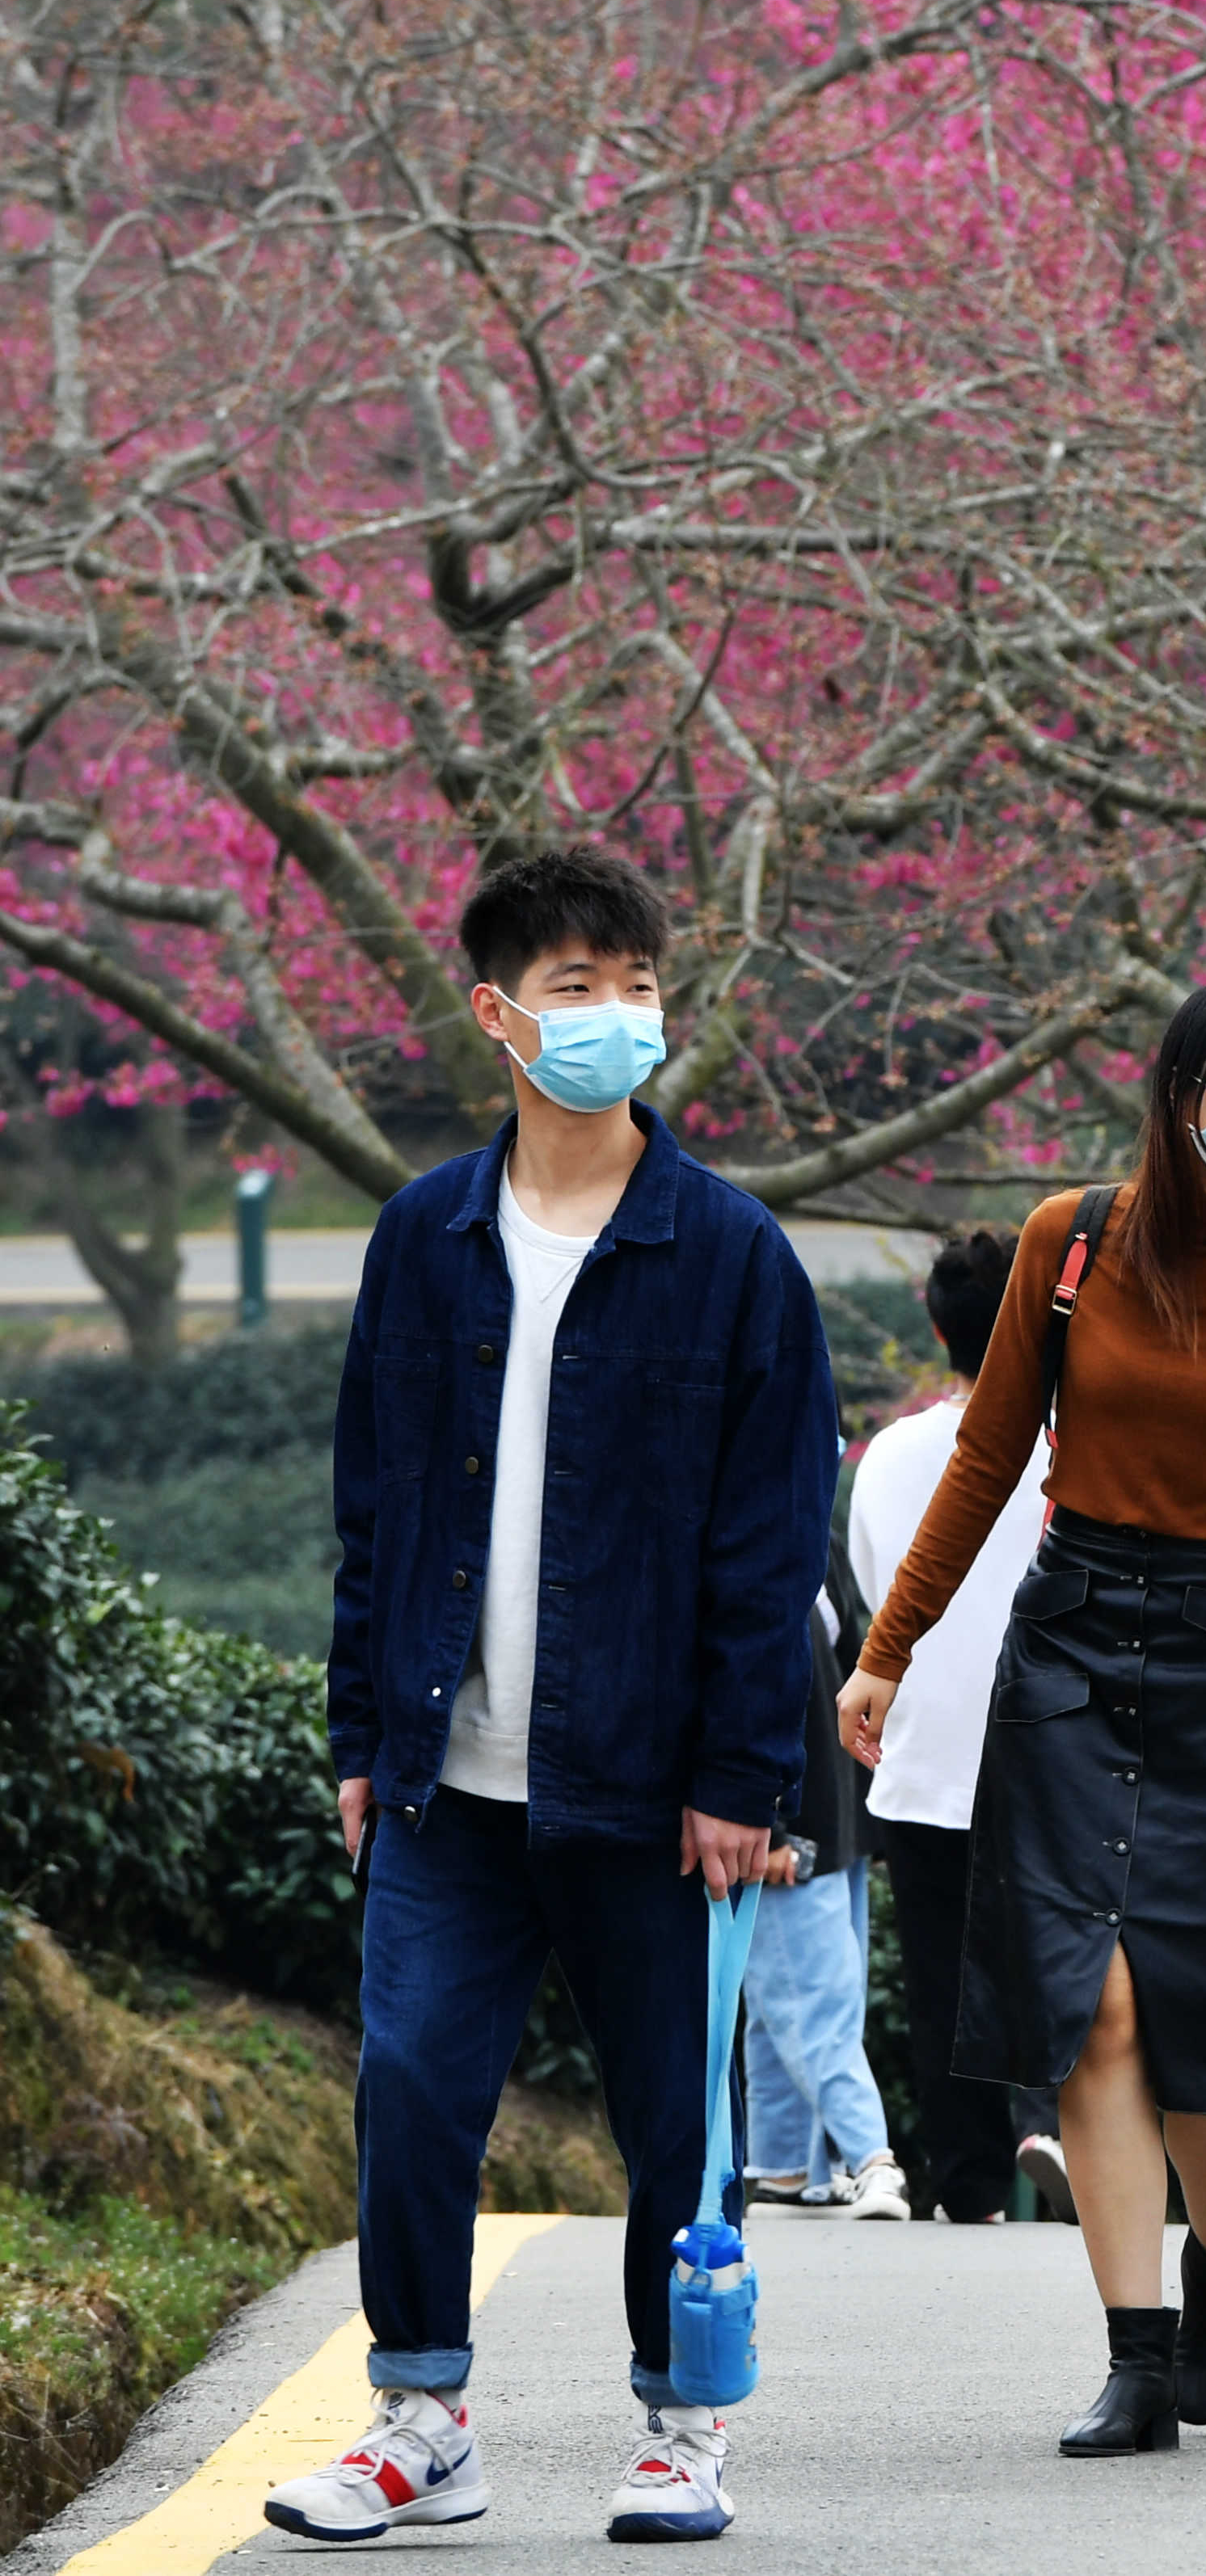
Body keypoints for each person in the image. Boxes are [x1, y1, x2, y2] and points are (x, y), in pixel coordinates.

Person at [280, 847, 833, 2547]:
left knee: (679, 2116)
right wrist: (362, 1735)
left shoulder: (730, 1254)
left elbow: (770, 1541)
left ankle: (682, 2427)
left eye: (636, 980)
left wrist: (746, 1772)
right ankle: (424, 2417)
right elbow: (374, 1506)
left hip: (656, 1783)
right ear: (499, 1012)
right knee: (415, 2085)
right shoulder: (423, 1235)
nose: (615, 1013)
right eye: (577, 982)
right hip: (452, 1772)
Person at [838, 982, 1206, 2457]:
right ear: (1180, 1088)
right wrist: (886, 1651)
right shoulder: (1068, 1243)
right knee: (1092, 2001)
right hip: (1070, 1634)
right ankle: (1137, 2356)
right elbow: (983, 1460)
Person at [845, 1228, 1061, 2227]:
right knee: (1057, 1956)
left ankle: (970, 2186)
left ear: (937, 1327)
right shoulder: (1072, 1447)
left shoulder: (890, 1456)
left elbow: (871, 1594)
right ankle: (1047, 2114)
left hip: (922, 1752)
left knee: (942, 1977)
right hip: (1053, 1751)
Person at [741, 1581, 906, 2219]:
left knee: (786, 2000)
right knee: (816, 2000)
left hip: (837, 1817)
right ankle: (871, 2157)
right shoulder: (748, 1541)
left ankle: (783, 2168)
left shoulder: (820, 1544)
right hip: (785, 1827)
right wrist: (770, 1825)